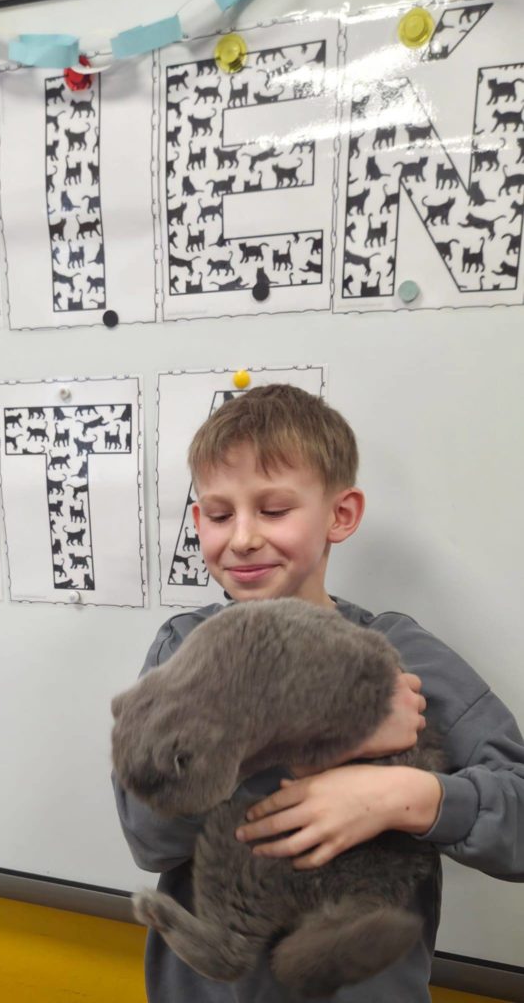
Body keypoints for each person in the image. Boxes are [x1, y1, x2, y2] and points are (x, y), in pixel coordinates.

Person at [112, 383, 524, 1002]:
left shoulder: (403, 656)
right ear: (198, 523)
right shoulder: (184, 649)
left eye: (274, 510)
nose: (243, 537)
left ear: (341, 514)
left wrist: (406, 796)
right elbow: (149, 834)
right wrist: (314, 744)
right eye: (220, 516)